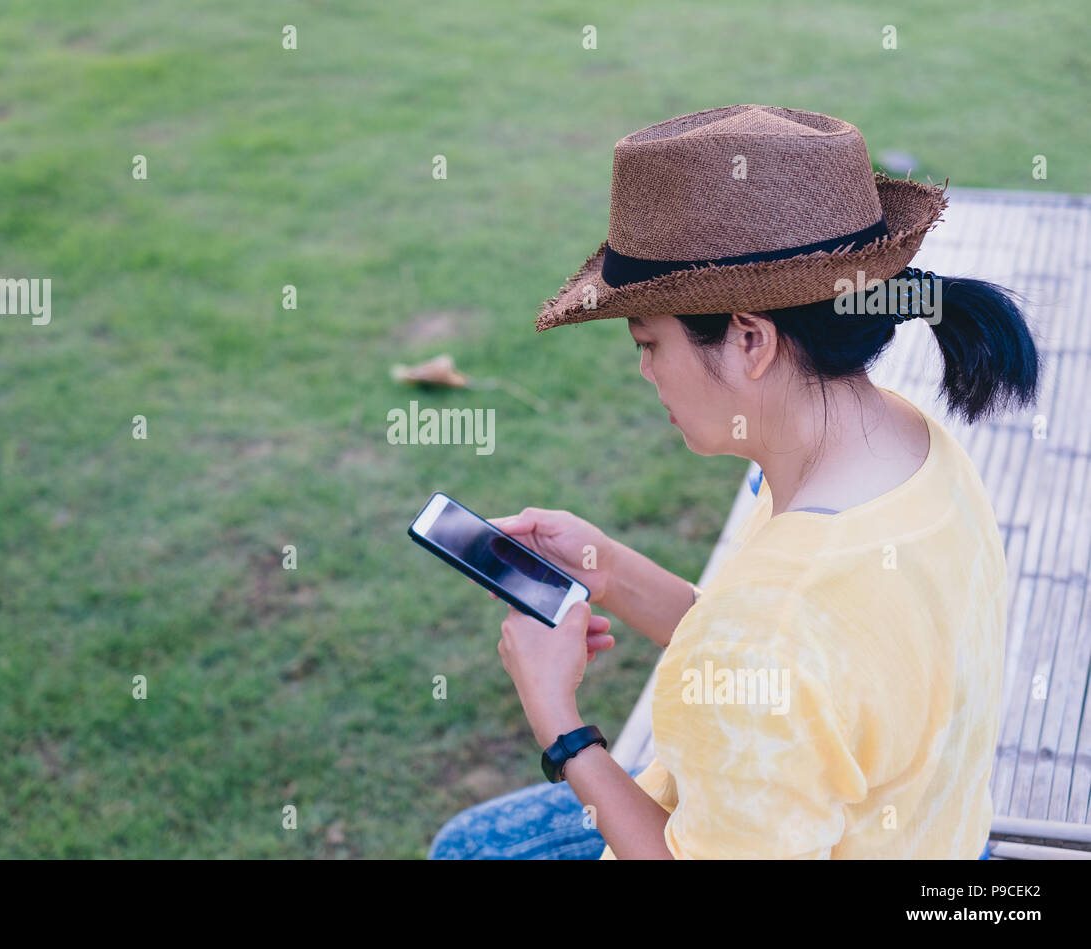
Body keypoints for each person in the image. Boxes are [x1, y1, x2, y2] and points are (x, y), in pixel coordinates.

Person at [427, 105, 1040, 859]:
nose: (644, 369)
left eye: (650, 342)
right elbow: (794, 674)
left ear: (751, 339)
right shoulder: (908, 445)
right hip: (927, 835)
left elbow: (769, 652)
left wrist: (561, 724)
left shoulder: (767, 632)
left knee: (465, 851)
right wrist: (607, 567)